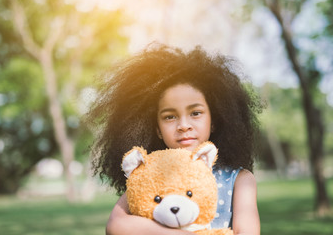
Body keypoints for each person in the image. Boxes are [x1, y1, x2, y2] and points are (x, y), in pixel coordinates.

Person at [87, 44, 262, 235]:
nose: (183, 125)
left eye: (195, 113)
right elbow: (116, 226)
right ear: (157, 129)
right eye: (170, 116)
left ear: (214, 121)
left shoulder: (239, 180)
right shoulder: (148, 174)